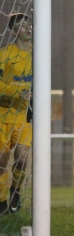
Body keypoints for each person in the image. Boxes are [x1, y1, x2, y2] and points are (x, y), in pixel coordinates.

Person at [0, 13, 33, 215]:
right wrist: (16, 91)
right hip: (2, 115)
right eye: (21, 25)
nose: (27, 27)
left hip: (23, 117)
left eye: (28, 24)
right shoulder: (5, 54)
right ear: (13, 31)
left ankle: (16, 191)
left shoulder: (38, 54)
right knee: (2, 162)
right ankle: (2, 200)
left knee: (22, 157)